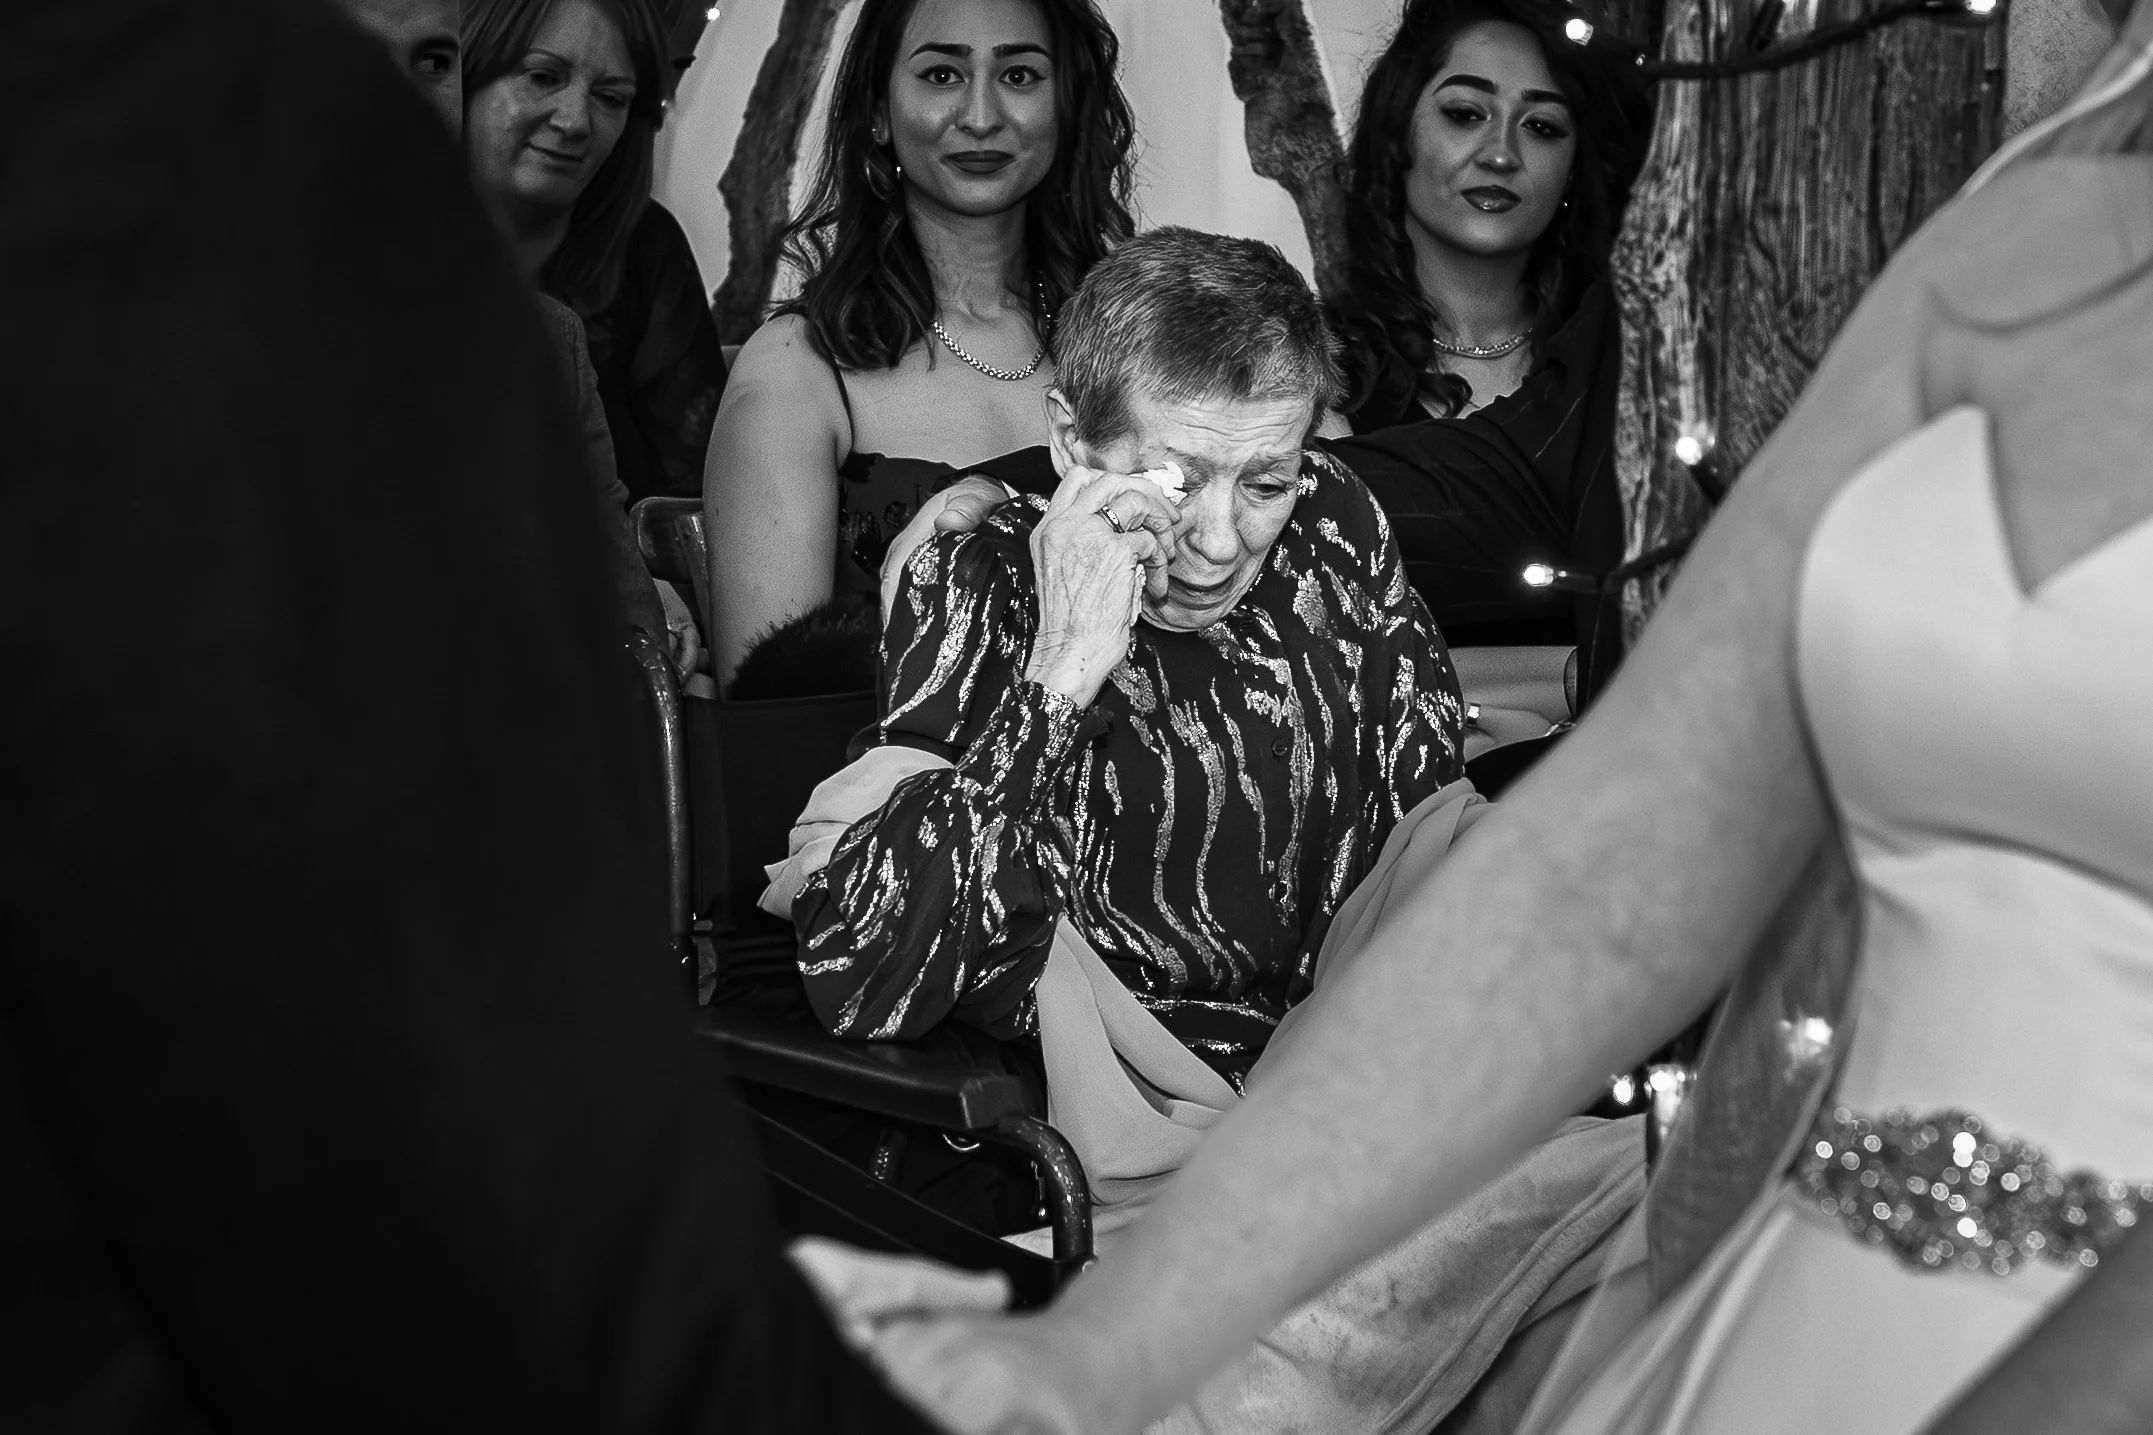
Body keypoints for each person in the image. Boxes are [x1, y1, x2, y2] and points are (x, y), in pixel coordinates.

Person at [866, 1, 2153, 1429]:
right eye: (1179, 482)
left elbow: (1435, 831)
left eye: (1268, 481)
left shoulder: (1340, 534)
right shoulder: (2001, 248)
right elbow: (1596, 867)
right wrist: (1113, 1344)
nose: (1223, 536)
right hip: (1791, 1246)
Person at [1, 0, 943, 1427]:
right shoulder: (155, 288)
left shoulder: (509, 339)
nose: (398, 101)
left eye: (435, 60)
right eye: (525, 74)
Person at [701, 0, 1135, 694]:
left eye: (1020, 75)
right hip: (887, 758)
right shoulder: (798, 367)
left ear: (1067, 105)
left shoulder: (1135, 340)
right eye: (941, 75)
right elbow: (772, 710)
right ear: (878, 111)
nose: (981, 116)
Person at [1318, 0, 1649, 693]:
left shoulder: (1623, 364)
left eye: (1542, 126)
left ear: (1574, 166)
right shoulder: (1314, 371)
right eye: (1465, 113)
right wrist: (1566, 675)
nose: (1501, 153)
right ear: (1397, 135)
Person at [463, 0, 729, 506]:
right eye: (543, 76)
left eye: (610, 97)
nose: (575, 121)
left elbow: (697, 492)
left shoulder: (644, 245)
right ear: (466, 74)